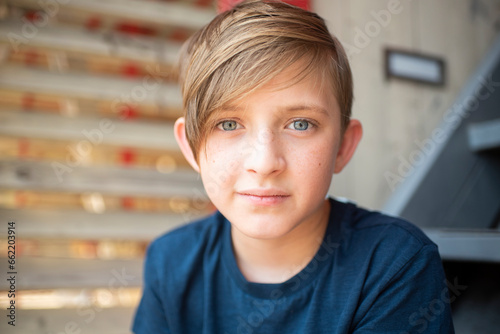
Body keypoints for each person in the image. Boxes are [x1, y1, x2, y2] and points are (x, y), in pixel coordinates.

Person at [132, 1, 454, 333]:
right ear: (190, 146)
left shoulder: (394, 264)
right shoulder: (170, 261)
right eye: (228, 124)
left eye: (300, 124)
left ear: (343, 145)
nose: (265, 162)